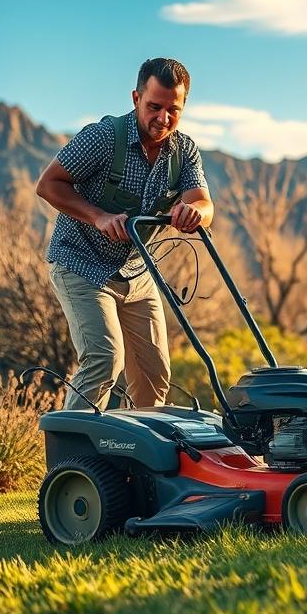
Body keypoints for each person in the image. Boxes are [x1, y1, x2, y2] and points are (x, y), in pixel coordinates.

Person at [36, 57, 213, 409]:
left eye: (172, 110)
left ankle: (133, 460)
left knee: (154, 375)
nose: (163, 118)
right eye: (154, 107)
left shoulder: (184, 151)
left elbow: (203, 202)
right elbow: (48, 184)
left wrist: (195, 212)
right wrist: (98, 216)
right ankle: (73, 458)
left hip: (136, 271)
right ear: (135, 98)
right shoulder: (102, 138)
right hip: (80, 263)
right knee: (104, 360)